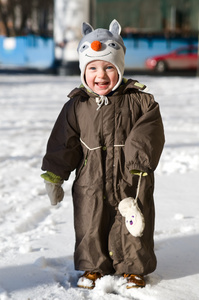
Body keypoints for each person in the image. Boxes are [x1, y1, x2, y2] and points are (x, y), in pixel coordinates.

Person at [41, 19, 165, 289]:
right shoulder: (77, 105)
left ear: (119, 67)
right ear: (83, 71)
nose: (101, 75)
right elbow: (64, 142)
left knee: (132, 222)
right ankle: (93, 266)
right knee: (90, 221)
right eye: (93, 67)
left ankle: (134, 268)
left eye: (109, 67)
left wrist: (137, 162)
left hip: (132, 175)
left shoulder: (140, 100)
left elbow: (149, 131)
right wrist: (54, 175)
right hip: (91, 177)